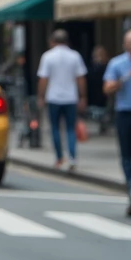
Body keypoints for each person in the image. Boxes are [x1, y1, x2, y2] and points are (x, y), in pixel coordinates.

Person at [103, 27, 131, 216]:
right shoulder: (117, 64)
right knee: (126, 155)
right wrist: (125, 79)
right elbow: (108, 88)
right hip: (125, 114)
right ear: (125, 45)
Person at [37, 28, 86, 170]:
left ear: (53, 41)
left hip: (53, 97)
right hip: (71, 97)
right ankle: (72, 158)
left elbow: (43, 79)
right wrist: (83, 97)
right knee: (71, 128)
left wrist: (41, 96)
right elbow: (81, 78)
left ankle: (59, 157)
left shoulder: (48, 56)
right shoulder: (75, 56)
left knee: (55, 128)